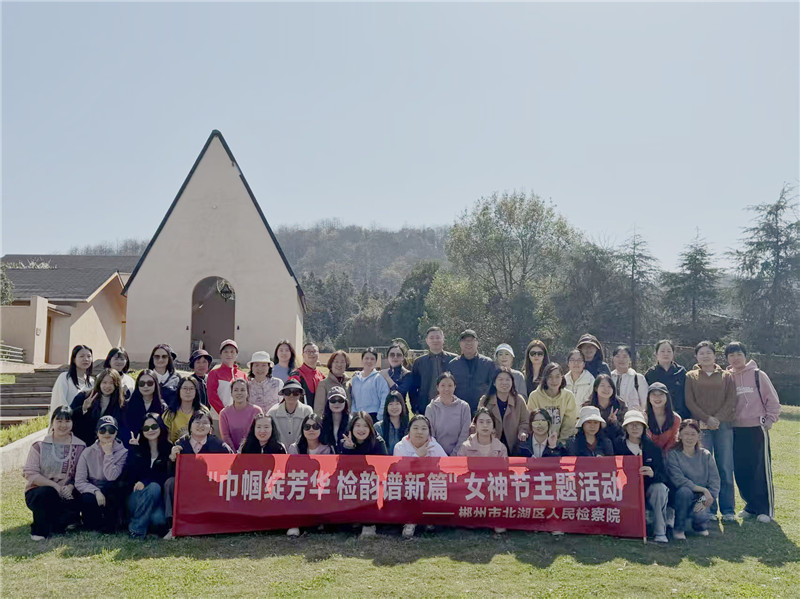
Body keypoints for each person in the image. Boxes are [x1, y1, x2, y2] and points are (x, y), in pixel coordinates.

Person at [725, 341, 781, 523]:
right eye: (731, 355)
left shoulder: (758, 375)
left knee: (760, 468)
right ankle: (750, 505)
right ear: (727, 358)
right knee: (741, 469)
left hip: (757, 428)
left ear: (745, 355)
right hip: (735, 429)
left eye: (738, 354)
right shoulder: (727, 377)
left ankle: (765, 509)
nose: (735, 358)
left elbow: (772, 400)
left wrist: (770, 420)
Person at [684, 340, 737, 521]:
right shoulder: (691, 376)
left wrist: (717, 419)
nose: (705, 356)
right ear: (696, 357)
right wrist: (707, 419)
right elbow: (690, 401)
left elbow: (731, 400)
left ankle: (728, 510)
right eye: (701, 353)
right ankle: (708, 509)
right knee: (705, 469)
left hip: (723, 427)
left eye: (708, 352)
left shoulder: (727, 376)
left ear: (715, 355)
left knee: (725, 467)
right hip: (701, 427)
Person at [23, 406, 86, 540]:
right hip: (40, 492)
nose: (63, 425)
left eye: (67, 421)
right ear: (52, 422)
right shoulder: (39, 445)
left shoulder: (80, 446)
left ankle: (64, 521)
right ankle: (39, 531)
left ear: (72, 423)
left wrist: (70, 487)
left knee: (82, 495)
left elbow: (81, 474)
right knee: (47, 493)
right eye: (59, 421)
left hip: (68, 492)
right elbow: (30, 473)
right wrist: (55, 486)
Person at [614, 410, 670, 543]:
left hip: (648, 489)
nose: (635, 428)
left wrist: (652, 473)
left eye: (638, 424)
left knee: (660, 489)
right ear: (625, 427)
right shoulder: (617, 445)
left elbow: (664, 476)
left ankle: (660, 532)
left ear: (644, 427)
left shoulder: (653, 448)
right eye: (631, 424)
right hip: (624, 489)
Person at [393, 414, 448, 539]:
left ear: (429, 432)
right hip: (408, 485)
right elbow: (401, 471)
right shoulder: (400, 447)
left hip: (429, 484)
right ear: (409, 431)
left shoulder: (435, 446)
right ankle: (410, 522)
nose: (419, 432)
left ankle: (430, 519)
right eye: (415, 428)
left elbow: (447, 466)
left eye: (424, 429)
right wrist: (418, 456)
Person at [667, 419, 720, 539]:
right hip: (680, 497)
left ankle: (697, 525)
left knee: (700, 516)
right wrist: (703, 490)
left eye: (693, 434)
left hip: (701, 497)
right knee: (684, 491)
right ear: (680, 435)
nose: (689, 438)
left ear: (699, 436)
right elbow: (678, 479)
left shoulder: (706, 455)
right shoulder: (673, 454)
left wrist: (709, 495)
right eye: (686, 434)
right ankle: (679, 529)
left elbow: (715, 481)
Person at [75, 415, 128, 533]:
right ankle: (93, 523)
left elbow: (111, 476)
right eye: (103, 430)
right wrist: (96, 491)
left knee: (112, 490)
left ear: (116, 433)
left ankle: (113, 523)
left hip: (112, 491)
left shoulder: (123, 453)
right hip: (93, 489)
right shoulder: (87, 452)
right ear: (97, 433)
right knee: (87, 498)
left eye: (111, 430)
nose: (107, 433)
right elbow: (79, 481)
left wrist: (108, 454)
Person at [125, 413, 172, 538]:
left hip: (157, 500)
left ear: (160, 427)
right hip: (136, 497)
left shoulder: (168, 449)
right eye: (146, 428)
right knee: (154, 487)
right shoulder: (137, 448)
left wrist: (145, 481)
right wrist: (134, 451)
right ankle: (136, 530)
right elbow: (129, 477)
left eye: (154, 426)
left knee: (159, 519)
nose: (150, 430)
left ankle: (143, 523)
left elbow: (166, 477)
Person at [340, 412, 387, 538]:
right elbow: (341, 468)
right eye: (358, 425)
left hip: (372, 482)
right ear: (352, 427)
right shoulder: (345, 442)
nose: (361, 429)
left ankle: (369, 523)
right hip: (352, 481)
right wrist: (349, 449)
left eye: (365, 426)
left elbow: (383, 468)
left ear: (370, 428)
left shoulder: (378, 442)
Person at [477, 367, 530, 455]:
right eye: (500, 379)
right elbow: (478, 421)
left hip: (514, 446)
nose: (504, 383)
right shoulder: (485, 400)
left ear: (512, 382)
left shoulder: (519, 400)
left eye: (507, 380)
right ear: (494, 383)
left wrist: (522, 431)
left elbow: (525, 421)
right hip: (490, 447)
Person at [70, 368, 126, 446]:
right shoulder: (83, 397)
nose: (107, 386)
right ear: (99, 383)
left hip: (109, 446)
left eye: (111, 383)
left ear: (116, 385)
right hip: (85, 444)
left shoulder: (122, 403)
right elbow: (70, 417)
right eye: (104, 382)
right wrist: (83, 409)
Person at [409, 326, 456, 415]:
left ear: (443, 339)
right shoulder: (419, 362)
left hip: (451, 408)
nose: (435, 340)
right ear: (427, 340)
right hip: (425, 408)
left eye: (438, 337)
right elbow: (413, 388)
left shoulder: (454, 360)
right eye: (431, 338)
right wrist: (415, 408)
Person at [526, 363, 578, 443]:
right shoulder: (534, 396)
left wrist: (561, 442)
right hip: (540, 442)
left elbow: (569, 423)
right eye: (550, 377)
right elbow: (533, 421)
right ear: (545, 378)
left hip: (563, 443)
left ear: (562, 377)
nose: (554, 380)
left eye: (557, 376)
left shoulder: (568, 396)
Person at [447, 330, 496, 413]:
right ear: (460, 344)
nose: (468, 343)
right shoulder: (453, 364)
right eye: (465, 341)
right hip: (458, 410)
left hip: (483, 410)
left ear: (477, 342)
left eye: (471, 340)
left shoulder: (487, 363)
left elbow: (493, 387)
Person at [425, 372, 471, 456]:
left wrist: (454, 454)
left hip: (459, 454)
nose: (446, 389)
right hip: (436, 454)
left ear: (454, 387)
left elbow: (464, 434)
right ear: (437, 387)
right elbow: (431, 435)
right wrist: (441, 454)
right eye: (443, 385)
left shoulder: (464, 407)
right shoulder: (431, 408)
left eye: (450, 385)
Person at [120, 369, 167, 447]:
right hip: (132, 445)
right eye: (142, 383)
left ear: (155, 384)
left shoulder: (163, 407)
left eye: (150, 383)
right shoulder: (127, 405)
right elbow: (124, 428)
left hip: (156, 447)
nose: (145, 386)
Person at [645, 340, 689, 419]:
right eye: (662, 351)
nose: (666, 354)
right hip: (658, 417)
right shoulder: (651, 374)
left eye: (669, 351)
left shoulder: (681, 372)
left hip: (681, 415)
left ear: (673, 353)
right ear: (656, 354)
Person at [267, 380, 314, 450]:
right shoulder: (272, 412)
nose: (291, 395)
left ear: (300, 394)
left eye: (295, 392)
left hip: (301, 452)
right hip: (278, 452)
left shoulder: (307, 411)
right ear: (283, 394)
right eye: (287, 392)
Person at [207, 339, 248, 416]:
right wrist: (225, 413)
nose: (229, 354)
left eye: (232, 352)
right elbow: (212, 397)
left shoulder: (242, 375)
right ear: (221, 355)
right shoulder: (214, 373)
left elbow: (246, 397)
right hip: (218, 417)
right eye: (226, 352)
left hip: (239, 416)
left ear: (236, 355)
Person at [162, 377, 210, 443]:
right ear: (179, 390)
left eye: (191, 388)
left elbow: (208, 435)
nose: (188, 392)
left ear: (196, 391)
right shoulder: (169, 413)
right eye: (185, 388)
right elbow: (164, 438)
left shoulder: (203, 411)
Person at [220, 379, 263, 451]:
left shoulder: (257, 411)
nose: (239, 393)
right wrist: (234, 452)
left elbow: (260, 433)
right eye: (236, 390)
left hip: (254, 452)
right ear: (231, 393)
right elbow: (225, 436)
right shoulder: (224, 413)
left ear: (248, 393)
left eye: (242, 390)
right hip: (232, 453)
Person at [49, 344, 94, 414]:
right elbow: (60, 402)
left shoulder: (91, 382)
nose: (86, 359)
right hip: (66, 418)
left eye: (89, 356)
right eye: (82, 356)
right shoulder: (65, 378)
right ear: (74, 359)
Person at [350, 348, 390, 423]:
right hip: (358, 417)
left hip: (374, 416)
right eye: (366, 358)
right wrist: (353, 414)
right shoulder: (355, 379)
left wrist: (379, 417)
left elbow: (384, 398)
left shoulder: (379, 378)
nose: (369, 361)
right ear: (362, 360)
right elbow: (353, 399)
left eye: (372, 359)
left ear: (376, 361)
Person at [584, 374, 627, 443]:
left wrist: (614, 422)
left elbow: (625, 429)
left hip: (615, 439)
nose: (606, 389)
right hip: (594, 440)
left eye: (609, 386)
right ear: (596, 388)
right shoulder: (588, 406)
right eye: (602, 386)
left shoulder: (620, 404)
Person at [170, 411, 234, 457]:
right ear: (190, 426)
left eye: (205, 423)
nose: (201, 425)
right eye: (197, 422)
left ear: (210, 428)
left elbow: (232, 459)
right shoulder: (181, 444)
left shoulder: (218, 445)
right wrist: (172, 457)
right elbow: (173, 468)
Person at [646, 382, 681, 454]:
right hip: (646, 455)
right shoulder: (642, 417)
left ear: (667, 397)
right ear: (648, 398)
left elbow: (673, 442)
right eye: (653, 394)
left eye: (661, 394)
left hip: (669, 456)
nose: (657, 397)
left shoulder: (675, 418)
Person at [610, 346, 648, 411]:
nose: (621, 359)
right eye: (617, 356)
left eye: (625, 356)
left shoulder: (638, 378)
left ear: (630, 359)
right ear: (613, 359)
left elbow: (645, 402)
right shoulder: (609, 377)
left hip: (633, 415)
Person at [314, 350, 351, 415]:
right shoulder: (323, 384)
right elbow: (318, 411)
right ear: (331, 364)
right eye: (336, 361)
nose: (339, 364)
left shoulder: (349, 384)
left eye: (342, 362)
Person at [321, 386, 351, 451]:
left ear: (345, 402)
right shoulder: (321, 422)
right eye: (333, 400)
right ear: (328, 403)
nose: (337, 403)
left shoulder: (352, 422)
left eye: (340, 400)